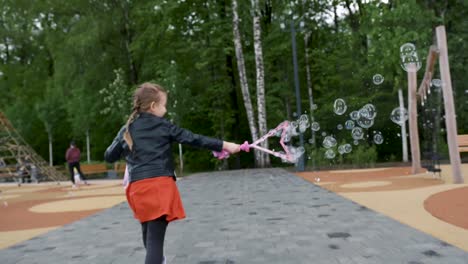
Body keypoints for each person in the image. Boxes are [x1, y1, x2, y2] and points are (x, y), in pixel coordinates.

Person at [104, 82, 240, 264]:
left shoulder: (127, 129)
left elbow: (109, 156)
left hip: (137, 190)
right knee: (154, 242)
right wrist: (224, 145)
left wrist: (125, 146)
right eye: (164, 105)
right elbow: (193, 138)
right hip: (159, 188)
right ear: (153, 106)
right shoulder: (163, 126)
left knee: (148, 235)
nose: (166, 110)